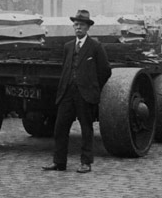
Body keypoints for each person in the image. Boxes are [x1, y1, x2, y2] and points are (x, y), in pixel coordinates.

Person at [43, 10, 111, 174]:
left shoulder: (95, 46)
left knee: (86, 129)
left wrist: (92, 86)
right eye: (76, 24)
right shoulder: (68, 46)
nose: (78, 27)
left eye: (81, 25)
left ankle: (85, 163)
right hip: (67, 92)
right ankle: (59, 162)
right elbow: (65, 68)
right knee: (60, 127)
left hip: (85, 94)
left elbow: (105, 71)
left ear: (88, 27)